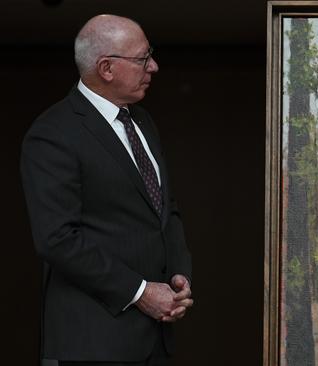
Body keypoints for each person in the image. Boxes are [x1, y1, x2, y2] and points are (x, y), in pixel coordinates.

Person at [20, 14, 193, 366]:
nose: (154, 67)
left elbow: (164, 210)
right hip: (91, 346)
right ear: (107, 68)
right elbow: (57, 239)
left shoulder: (142, 121)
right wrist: (141, 292)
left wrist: (179, 276)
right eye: (143, 58)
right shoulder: (54, 133)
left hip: (155, 343)